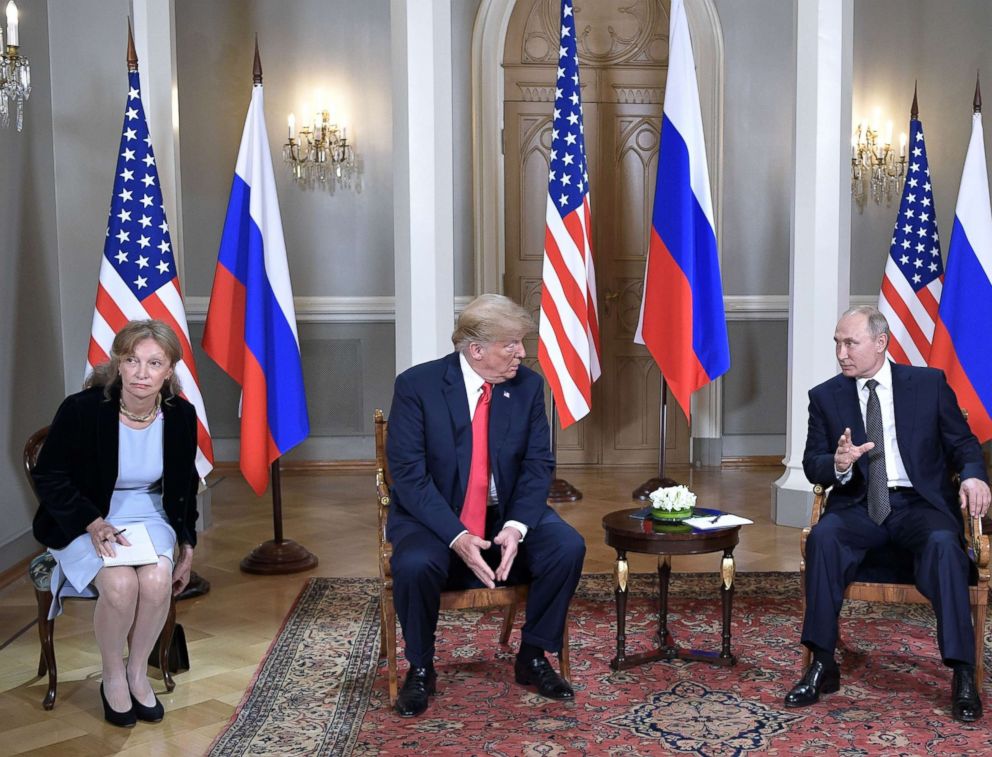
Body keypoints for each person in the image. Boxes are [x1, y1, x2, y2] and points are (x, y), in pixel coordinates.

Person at [785, 305, 991, 722]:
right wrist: (839, 463)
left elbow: (963, 444)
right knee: (824, 538)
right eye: (837, 344)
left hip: (919, 505)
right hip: (860, 504)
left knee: (944, 546)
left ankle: (962, 672)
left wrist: (972, 476)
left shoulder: (928, 384)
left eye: (850, 343)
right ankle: (822, 663)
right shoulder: (825, 396)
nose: (841, 353)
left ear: (880, 343)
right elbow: (813, 463)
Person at [385, 294, 585, 717]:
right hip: (435, 515)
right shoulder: (417, 386)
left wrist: (515, 526)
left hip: (504, 512)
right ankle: (421, 667)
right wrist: (456, 535)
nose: (522, 353)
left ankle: (532, 656)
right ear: (476, 350)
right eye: (512, 344)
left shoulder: (527, 387)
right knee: (415, 564)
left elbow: (537, 464)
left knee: (567, 547)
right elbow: (408, 477)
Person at [32, 320, 200, 728]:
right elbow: (49, 475)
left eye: (154, 363)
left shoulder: (180, 415)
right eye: (132, 361)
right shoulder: (82, 409)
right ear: (119, 365)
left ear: (169, 370)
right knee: (121, 585)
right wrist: (91, 521)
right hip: (86, 516)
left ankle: (137, 672)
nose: (143, 373)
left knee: (156, 582)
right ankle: (112, 675)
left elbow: (184, 487)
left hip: (149, 513)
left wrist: (188, 547)